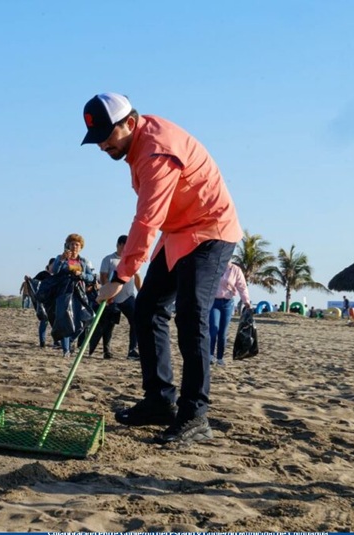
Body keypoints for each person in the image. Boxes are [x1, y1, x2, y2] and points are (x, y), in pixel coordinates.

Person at [83, 92, 242, 446]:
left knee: (191, 316)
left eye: (107, 136)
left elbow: (147, 219)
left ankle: (195, 416)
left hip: (209, 230)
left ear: (130, 122)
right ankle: (159, 401)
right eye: (97, 140)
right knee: (149, 308)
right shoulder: (137, 142)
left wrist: (121, 277)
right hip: (178, 233)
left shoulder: (157, 150)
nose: (102, 145)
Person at [89, 235, 142, 360]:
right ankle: (107, 350)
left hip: (128, 297)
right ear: (119, 245)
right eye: (125, 245)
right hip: (112, 298)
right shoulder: (109, 259)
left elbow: (137, 278)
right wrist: (107, 294)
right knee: (108, 324)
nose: (127, 248)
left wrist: (142, 292)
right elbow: (103, 277)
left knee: (136, 321)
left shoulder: (131, 259)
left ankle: (132, 350)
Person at [51, 233, 96, 358]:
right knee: (66, 320)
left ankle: (70, 340)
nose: (74, 246)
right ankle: (66, 350)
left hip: (79, 292)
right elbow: (54, 271)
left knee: (86, 319)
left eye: (77, 244)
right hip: (64, 292)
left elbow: (91, 277)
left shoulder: (84, 261)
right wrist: (61, 260)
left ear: (81, 247)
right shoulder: (61, 258)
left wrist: (81, 274)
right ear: (67, 245)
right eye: (72, 244)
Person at [209, 261, 251, 366]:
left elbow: (242, 286)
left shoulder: (235, 270)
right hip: (214, 302)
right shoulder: (214, 265)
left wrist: (246, 301)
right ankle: (210, 355)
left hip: (228, 303)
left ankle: (219, 358)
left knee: (223, 332)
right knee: (213, 328)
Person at [30, 258, 55, 348]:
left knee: (55, 322)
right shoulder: (43, 274)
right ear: (49, 265)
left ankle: (57, 341)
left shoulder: (58, 275)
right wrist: (29, 279)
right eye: (52, 264)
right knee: (44, 320)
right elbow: (34, 282)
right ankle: (42, 341)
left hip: (53, 302)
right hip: (43, 302)